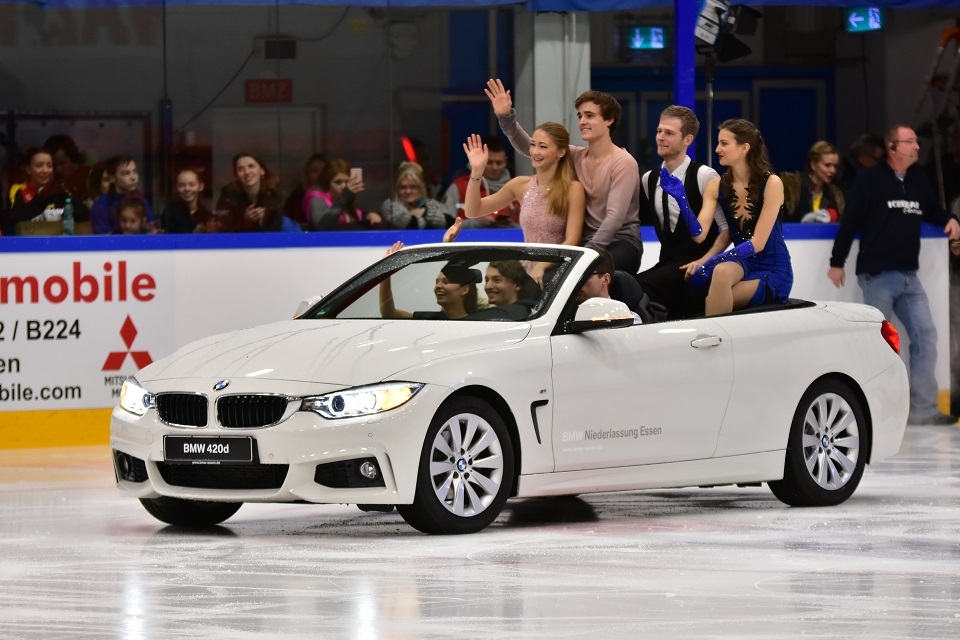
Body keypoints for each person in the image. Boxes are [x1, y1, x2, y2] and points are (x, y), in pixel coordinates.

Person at [828, 123, 960, 426]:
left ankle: (924, 408)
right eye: (910, 141)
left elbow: (932, 210)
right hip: (877, 276)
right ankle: (876, 410)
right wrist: (837, 261)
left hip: (909, 276)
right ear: (892, 148)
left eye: (916, 141)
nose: (917, 146)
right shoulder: (869, 179)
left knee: (926, 336)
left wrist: (950, 218)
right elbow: (850, 222)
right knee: (879, 344)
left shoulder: (918, 178)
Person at [486, 78, 643, 274]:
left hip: (620, 241)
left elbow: (614, 218)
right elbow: (530, 147)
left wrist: (585, 254)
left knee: (582, 274)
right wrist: (505, 117)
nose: (582, 122)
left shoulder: (624, 162)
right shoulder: (575, 155)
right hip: (584, 244)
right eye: (580, 116)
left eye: (589, 116)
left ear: (609, 120)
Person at [676, 119, 793, 316]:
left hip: (773, 268)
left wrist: (712, 261)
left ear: (744, 148)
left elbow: (758, 243)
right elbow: (699, 234)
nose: (717, 149)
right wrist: (682, 200)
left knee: (713, 297)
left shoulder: (772, 183)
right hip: (744, 262)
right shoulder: (716, 185)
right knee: (721, 272)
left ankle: (714, 332)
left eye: (724, 143)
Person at [637, 105, 731, 319]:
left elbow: (726, 229)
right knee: (627, 285)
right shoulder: (648, 179)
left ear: (687, 139)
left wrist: (705, 261)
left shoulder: (705, 175)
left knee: (640, 287)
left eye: (669, 133)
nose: (660, 137)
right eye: (659, 131)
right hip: (668, 264)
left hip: (697, 265)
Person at [378, 241, 481, 320]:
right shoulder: (430, 319)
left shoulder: (480, 320)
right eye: (437, 282)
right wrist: (386, 273)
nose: (438, 286)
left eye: (446, 282)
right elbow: (389, 313)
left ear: (465, 289)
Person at [3, 147, 86, 236]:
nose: (45, 170)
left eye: (49, 166)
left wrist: (61, 194)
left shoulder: (59, 192)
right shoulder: (18, 190)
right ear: (28, 168)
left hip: (55, 241)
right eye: (39, 166)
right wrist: (44, 197)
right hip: (26, 241)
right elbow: (19, 218)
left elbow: (82, 214)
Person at [441, 135, 518, 227]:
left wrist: (512, 226)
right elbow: (444, 222)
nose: (494, 167)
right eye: (489, 162)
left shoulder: (516, 186)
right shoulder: (460, 186)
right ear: (481, 160)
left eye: (499, 163)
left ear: (505, 161)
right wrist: (477, 223)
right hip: (468, 236)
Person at [305, 158, 384, 230]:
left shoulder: (344, 199)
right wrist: (343, 198)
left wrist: (368, 215)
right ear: (327, 183)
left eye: (347, 182)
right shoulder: (316, 199)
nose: (343, 186)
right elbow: (322, 226)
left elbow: (354, 214)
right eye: (338, 182)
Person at [214, 152, 283, 232]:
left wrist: (265, 217)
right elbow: (222, 229)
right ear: (237, 175)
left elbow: (277, 228)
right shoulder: (228, 196)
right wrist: (245, 221)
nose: (247, 172)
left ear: (262, 171)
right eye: (241, 169)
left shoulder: (273, 194)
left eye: (251, 166)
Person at [780, 141, 845, 222]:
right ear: (813, 165)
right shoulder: (793, 188)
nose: (833, 170)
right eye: (827, 165)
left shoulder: (835, 195)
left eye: (835, 166)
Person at [89, 154, 155, 234]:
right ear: (112, 178)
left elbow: (152, 230)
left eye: (135, 172)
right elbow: (103, 238)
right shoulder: (101, 205)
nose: (133, 178)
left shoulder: (142, 201)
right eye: (126, 173)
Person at [577, 247, 642, 324]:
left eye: (585, 275)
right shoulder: (565, 314)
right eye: (576, 275)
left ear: (605, 280)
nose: (578, 281)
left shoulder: (628, 320)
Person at [380, 162, 447, 230]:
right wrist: (430, 220)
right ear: (397, 188)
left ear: (421, 188)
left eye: (413, 187)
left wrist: (424, 212)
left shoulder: (432, 204)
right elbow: (411, 225)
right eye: (403, 187)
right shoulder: (390, 205)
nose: (408, 191)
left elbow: (450, 222)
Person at [162, 169, 216, 233]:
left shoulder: (206, 215)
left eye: (192, 184)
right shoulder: (170, 213)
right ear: (176, 188)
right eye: (181, 185)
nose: (187, 189)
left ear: (201, 186)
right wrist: (194, 233)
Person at [44, 134, 91, 204]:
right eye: (52, 165)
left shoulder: (88, 179)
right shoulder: (45, 187)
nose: (58, 170)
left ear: (74, 162)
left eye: (62, 163)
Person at [284, 153, 326, 229]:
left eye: (323, 171)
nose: (320, 175)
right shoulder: (296, 199)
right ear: (307, 174)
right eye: (315, 171)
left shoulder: (334, 197)